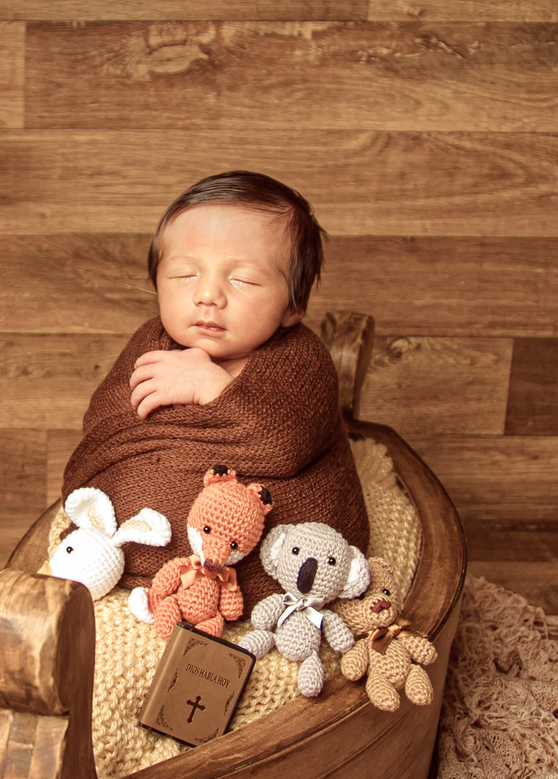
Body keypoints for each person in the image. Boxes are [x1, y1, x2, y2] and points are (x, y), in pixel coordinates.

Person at [60, 171, 369, 604]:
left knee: (301, 525)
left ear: (293, 305)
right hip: (134, 543)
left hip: (256, 563)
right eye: (185, 275)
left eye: (241, 280)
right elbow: (106, 428)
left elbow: (284, 444)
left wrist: (217, 392)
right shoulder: (151, 342)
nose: (208, 294)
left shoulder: (302, 358)